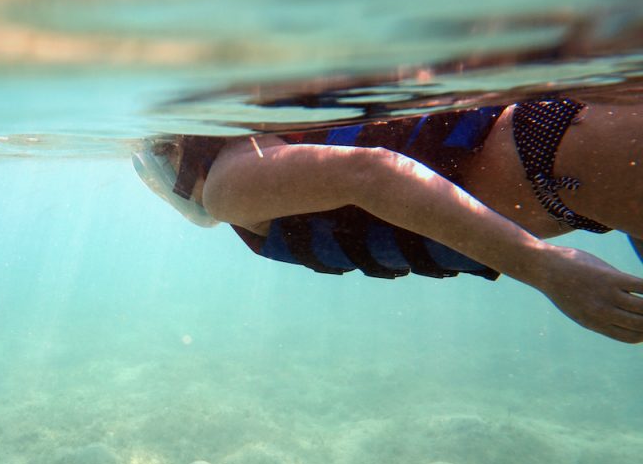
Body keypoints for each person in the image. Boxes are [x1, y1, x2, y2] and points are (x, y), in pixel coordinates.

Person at [133, 95, 643, 343]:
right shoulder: (265, 135)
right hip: (566, 160)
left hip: (558, 162)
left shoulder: (229, 187)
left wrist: (543, 268)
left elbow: (371, 173)